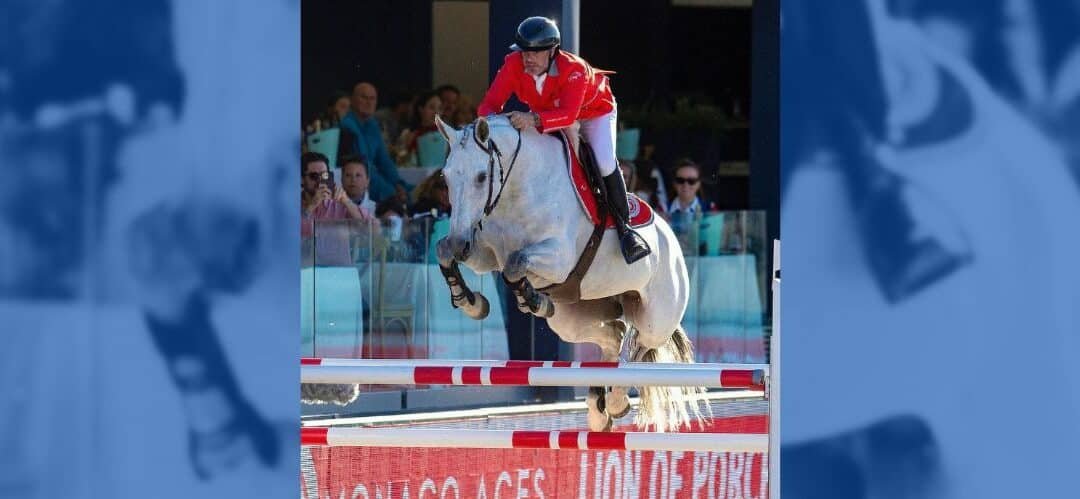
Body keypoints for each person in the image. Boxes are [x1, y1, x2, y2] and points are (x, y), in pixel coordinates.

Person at [477, 16, 650, 264]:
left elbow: (569, 115)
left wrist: (532, 119)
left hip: (593, 114)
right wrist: (491, 125)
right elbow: (489, 104)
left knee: (603, 161)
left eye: (535, 52)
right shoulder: (513, 64)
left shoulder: (574, 69)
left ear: (552, 51)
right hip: (546, 115)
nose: (528, 58)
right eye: (524, 51)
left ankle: (626, 231)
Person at [339, 81, 412, 203]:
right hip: (361, 181)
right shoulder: (347, 126)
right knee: (396, 199)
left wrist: (398, 184)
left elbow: (384, 161)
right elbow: (365, 166)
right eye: (364, 97)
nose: (369, 102)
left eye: (372, 98)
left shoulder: (372, 124)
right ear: (352, 100)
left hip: (375, 179)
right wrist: (392, 192)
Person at [395, 90, 446, 167]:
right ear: (421, 109)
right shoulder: (408, 134)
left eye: (439, 108)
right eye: (431, 107)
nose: (436, 112)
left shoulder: (447, 134)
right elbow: (401, 160)